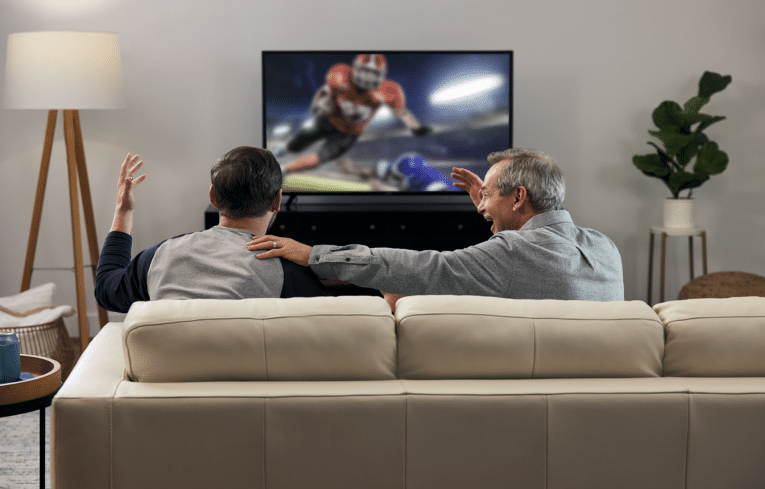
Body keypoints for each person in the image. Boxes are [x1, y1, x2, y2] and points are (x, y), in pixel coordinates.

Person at [247, 149, 624, 306]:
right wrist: (492, 204)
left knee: (397, 293)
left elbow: (424, 268)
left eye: (487, 195)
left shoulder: (512, 254)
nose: (481, 204)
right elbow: (514, 262)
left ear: (519, 197)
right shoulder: (605, 248)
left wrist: (313, 254)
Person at [95, 147, 328, 313]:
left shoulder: (159, 256)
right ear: (277, 200)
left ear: (212, 197)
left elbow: (106, 288)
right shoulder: (285, 270)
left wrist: (123, 211)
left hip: (167, 380)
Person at [279, 53, 431, 173]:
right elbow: (324, 92)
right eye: (365, 71)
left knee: (321, 157)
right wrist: (318, 106)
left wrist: (415, 127)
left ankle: (284, 170)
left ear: (382, 74)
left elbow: (401, 112)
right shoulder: (341, 74)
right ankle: (283, 150)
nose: (367, 77)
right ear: (355, 68)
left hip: (350, 132)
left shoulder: (390, 90)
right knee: (297, 143)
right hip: (329, 120)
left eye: (373, 73)